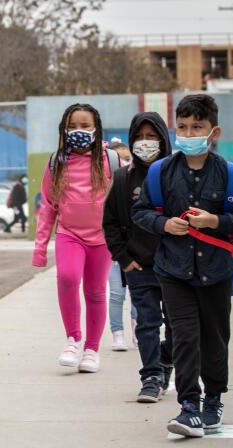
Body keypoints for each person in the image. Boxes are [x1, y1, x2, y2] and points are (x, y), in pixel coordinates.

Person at [133, 94, 233, 437]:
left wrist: (215, 221)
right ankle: (189, 406)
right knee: (183, 337)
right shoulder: (160, 173)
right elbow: (140, 212)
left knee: (215, 339)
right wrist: (164, 225)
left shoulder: (229, 175)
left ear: (213, 131)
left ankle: (213, 400)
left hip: (216, 271)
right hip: (173, 271)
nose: (188, 133)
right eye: (183, 127)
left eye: (197, 127)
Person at [33, 103, 119, 373]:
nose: (78, 131)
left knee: (95, 292)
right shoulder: (56, 162)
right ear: (63, 129)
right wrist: (40, 248)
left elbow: (121, 203)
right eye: (72, 126)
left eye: (85, 126)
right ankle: (73, 339)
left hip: (101, 238)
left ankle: (92, 350)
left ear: (96, 129)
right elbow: (47, 205)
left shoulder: (110, 161)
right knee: (68, 278)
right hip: (69, 233)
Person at [103, 112, 175, 403]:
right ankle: (150, 377)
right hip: (139, 266)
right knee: (146, 322)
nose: (145, 142)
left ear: (163, 139)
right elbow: (109, 222)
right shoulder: (123, 178)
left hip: (174, 267)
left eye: (152, 136)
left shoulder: (175, 174)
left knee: (176, 325)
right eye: (140, 137)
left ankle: (166, 361)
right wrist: (124, 259)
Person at [104, 139, 138, 352]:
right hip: (114, 249)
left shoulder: (137, 182)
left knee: (137, 292)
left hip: (136, 247)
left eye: (128, 157)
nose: (125, 162)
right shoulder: (110, 184)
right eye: (121, 159)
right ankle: (117, 334)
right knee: (117, 293)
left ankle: (137, 329)